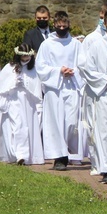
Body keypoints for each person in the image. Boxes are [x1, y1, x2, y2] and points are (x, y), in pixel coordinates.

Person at [36, 11, 84, 170]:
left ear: (68, 24)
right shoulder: (47, 44)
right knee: (56, 123)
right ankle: (60, 157)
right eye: (59, 26)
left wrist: (74, 71)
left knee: (70, 122)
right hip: (54, 89)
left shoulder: (76, 44)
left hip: (71, 86)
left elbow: (83, 65)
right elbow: (41, 67)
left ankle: (67, 148)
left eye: (65, 25)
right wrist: (58, 71)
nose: (62, 28)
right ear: (54, 25)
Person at [81, 9, 107, 184]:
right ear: (104, 25)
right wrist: (106, 80)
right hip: (105, 93)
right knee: (105, 131)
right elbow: (87, 68)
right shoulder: (97, 45)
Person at [0, 44, 44, 165]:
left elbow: (36, 85)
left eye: (28, 56)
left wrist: (26, 85)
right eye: (23, 56)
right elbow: (2, 84)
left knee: (26, 127)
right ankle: (18, 154)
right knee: (16, 126)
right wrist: (14, 83)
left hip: (27, 102)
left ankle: (24, 155)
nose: (25, 59)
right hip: (13, 100)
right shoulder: (9, 67)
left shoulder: (33, 68)